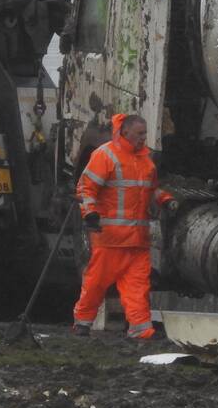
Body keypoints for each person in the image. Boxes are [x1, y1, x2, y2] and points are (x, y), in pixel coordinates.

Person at [72, 113, 178, 339]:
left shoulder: (145, 160)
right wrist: (89, 214)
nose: (143, 138)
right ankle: (82, 323)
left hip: (136, 240)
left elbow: (150, 190)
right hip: (110, 238)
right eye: (140, 134)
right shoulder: (105, 155)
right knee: (96, 283)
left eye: (145, 134)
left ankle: (141, 329)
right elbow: (85, 188)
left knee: (137, 287)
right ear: (126, 131)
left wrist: (165, 200)